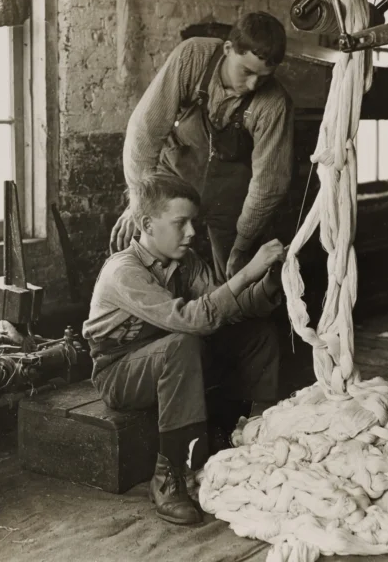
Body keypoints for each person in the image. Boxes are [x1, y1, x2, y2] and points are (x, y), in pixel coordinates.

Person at [83, 174, 286, 525]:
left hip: (174, 357)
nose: (191, 232)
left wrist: (267, 281)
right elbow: (196, 320)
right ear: (147, 224)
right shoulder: (124, 271)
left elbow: (227, 309)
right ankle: (168, 476)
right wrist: (247, 272)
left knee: (258, 335)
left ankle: (252, 434)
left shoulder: (186, 262)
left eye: (193, 222)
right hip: (120, 373)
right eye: (181, 223)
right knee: (183, 343)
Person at [110, 11, 294, 283]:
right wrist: (139, 203)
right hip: (176, 176)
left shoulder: (274, 103)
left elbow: (268, 184)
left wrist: (242, 245)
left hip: (230, 193)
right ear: (228, 49)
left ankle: (227, 320)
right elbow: (145, 131)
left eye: (264, 78)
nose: (253, 84)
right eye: (246, 72)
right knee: (151, 256)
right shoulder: (192, 57)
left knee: (238, 277)